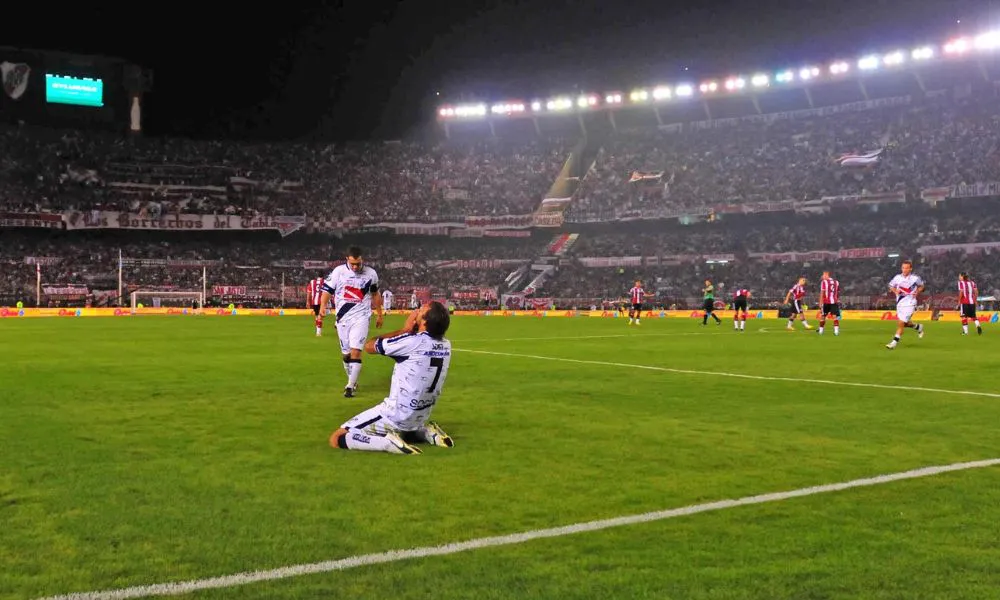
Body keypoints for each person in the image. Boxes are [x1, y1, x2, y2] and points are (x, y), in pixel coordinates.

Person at [329, 302, 454, 455]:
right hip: (421, 415)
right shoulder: (446, 345)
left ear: (425, 321)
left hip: (395, 415)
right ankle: (427, 432)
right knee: (407, 430)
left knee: (338, 437)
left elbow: (369, 346)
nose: (416, 311)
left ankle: (387, 443)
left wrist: (405, 330)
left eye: (421, 310)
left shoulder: (411, 342)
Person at [319, 247, 384, 397]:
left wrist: (379, 314)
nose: (355, 267)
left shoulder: (371, 273)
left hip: (362, 317)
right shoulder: (338, 272)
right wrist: (323, 306)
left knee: (356, 352)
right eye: (353, 263)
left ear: (362, 260)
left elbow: (375, 294)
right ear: (347, 259)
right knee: (346, 355)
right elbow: (327, 290)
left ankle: (349, 386)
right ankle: (352, 380)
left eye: (358, 263)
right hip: (342, 318)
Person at [886, 260, 925, 350]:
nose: (904, 270)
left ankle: (894, 343)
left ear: (910, 269)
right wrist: (896, 291)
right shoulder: (897, 278)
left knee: (900, 323)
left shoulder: (915, 278)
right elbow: (891, 286)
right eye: (903, 268)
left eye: (907, 268)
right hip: (900, 303)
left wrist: (917, 291)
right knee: (905, 323)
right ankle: (918, 327)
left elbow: (922, 286)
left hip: (910, 303)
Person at [817, 271, 841, 336]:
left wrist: (820, 302)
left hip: (826, 302)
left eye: (824, 275)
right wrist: (836, 299)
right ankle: (836, 331)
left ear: (827, 275)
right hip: (834, 301)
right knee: (835, 316)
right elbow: (838, 292)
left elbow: (822, 293)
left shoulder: (824, 282)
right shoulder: (837, 282)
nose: (822, 276)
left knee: (823, 316)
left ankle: (821, 331)